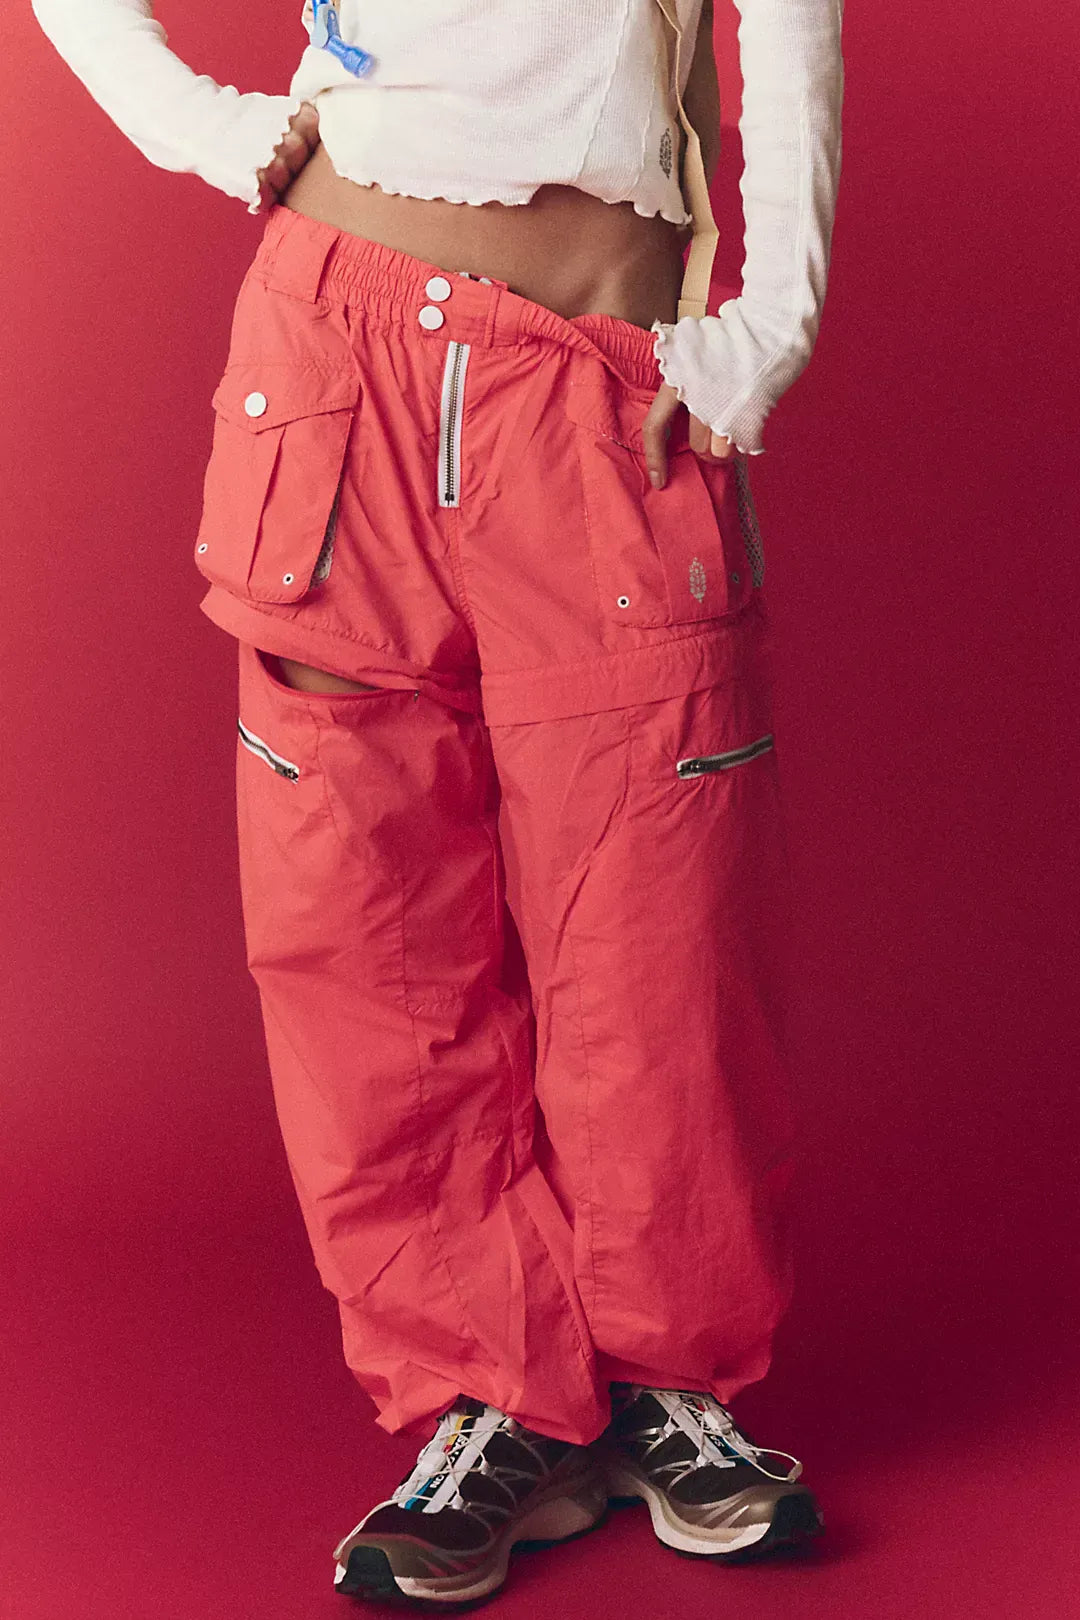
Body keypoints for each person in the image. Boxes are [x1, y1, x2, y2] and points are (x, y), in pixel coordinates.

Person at [30, 0, 845, 1605]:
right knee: (362, 927)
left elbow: (793, 22)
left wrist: (773, 324)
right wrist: (201, 126)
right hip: (330, 363)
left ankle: (665, 1378)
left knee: (658, 922)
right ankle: (486, 1394)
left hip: (601, 379)